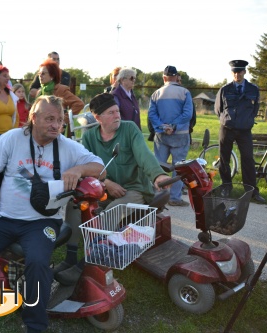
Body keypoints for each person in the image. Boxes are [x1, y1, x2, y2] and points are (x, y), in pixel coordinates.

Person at [0, 95, 104, 333]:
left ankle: (35, 325)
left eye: (60, 120)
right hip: (4, 217)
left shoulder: (66, 145)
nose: (56, 125)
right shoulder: (12, 139)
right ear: (33, 118)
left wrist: (79, 168)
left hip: (43, 222)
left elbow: (100, 168)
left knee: (38, 262)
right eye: (50, 119)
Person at [58, 93, 170, 282]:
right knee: (76, 205)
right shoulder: (90, 137)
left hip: (134, 189)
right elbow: (89, 167)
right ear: (98, 117)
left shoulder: (129, 129)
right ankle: (70, 256)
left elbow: (144, 155)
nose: (117, 115)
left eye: (118, 111)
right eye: (111, 112)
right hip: (104, 189)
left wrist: (158, 175)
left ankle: (89, 262)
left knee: (112, 211)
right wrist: (107, 183)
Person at [214, 60, 265, 203]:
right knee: (224, 158)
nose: (237, 74)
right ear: (232, 73)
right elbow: (218, 109)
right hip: (227, 128)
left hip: (244, 130)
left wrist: (247, 120)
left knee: (248, 159)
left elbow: (254, 109)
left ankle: (251, 191)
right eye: (234, 72)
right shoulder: (225, 89)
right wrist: (227, 120)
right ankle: (226, 186)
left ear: (244, 72)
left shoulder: (253, 89)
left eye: (240, 71)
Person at [148, 65, 193, 207]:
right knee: (179, 167)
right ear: (177, 76)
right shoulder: (185, 92)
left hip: (161, 135)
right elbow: (187, 114)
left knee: (159, 165)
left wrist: (163, 126)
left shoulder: (156, 93)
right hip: (180, 134)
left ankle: (156, 194)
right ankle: (174, 197)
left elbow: (151, 114)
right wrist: (174, 126)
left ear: (164, 77)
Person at [35, 59, 84, 126]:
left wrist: (63, 120)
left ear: (52, 76)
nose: (40, 76)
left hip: (54, 129)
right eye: (39, 73)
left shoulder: (60, 89)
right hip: (40, 128)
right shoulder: (40, 92)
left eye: (43, 73)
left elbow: (79, 104)